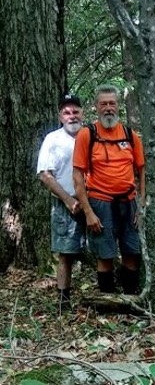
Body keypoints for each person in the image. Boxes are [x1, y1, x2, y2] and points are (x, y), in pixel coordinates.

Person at [73, 85, 146, 295]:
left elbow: (141, 171)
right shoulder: (88, 134)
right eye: (103, 104)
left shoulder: (130, 135)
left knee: (132, 251)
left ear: (118, 106)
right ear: (96, 107)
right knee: (105, 254)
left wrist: (141, 205)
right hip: (100, 202)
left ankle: (130, 298)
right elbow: (77, 176)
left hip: (129, 202)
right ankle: (107, 301)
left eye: (112, 103)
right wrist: (88, 212)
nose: (108, 108)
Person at [37, 94, 85, 308]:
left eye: (75, 111)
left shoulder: (91, 135)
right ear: (60, 115)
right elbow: (45, 174)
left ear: (82, 113)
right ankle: (63, 300)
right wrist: (67, 200)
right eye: (67, 112)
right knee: (65, 253)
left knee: (104, 250)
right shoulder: (52, 139)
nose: (71, 116)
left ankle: (106, 296)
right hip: (66, 204)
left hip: (94, 202)